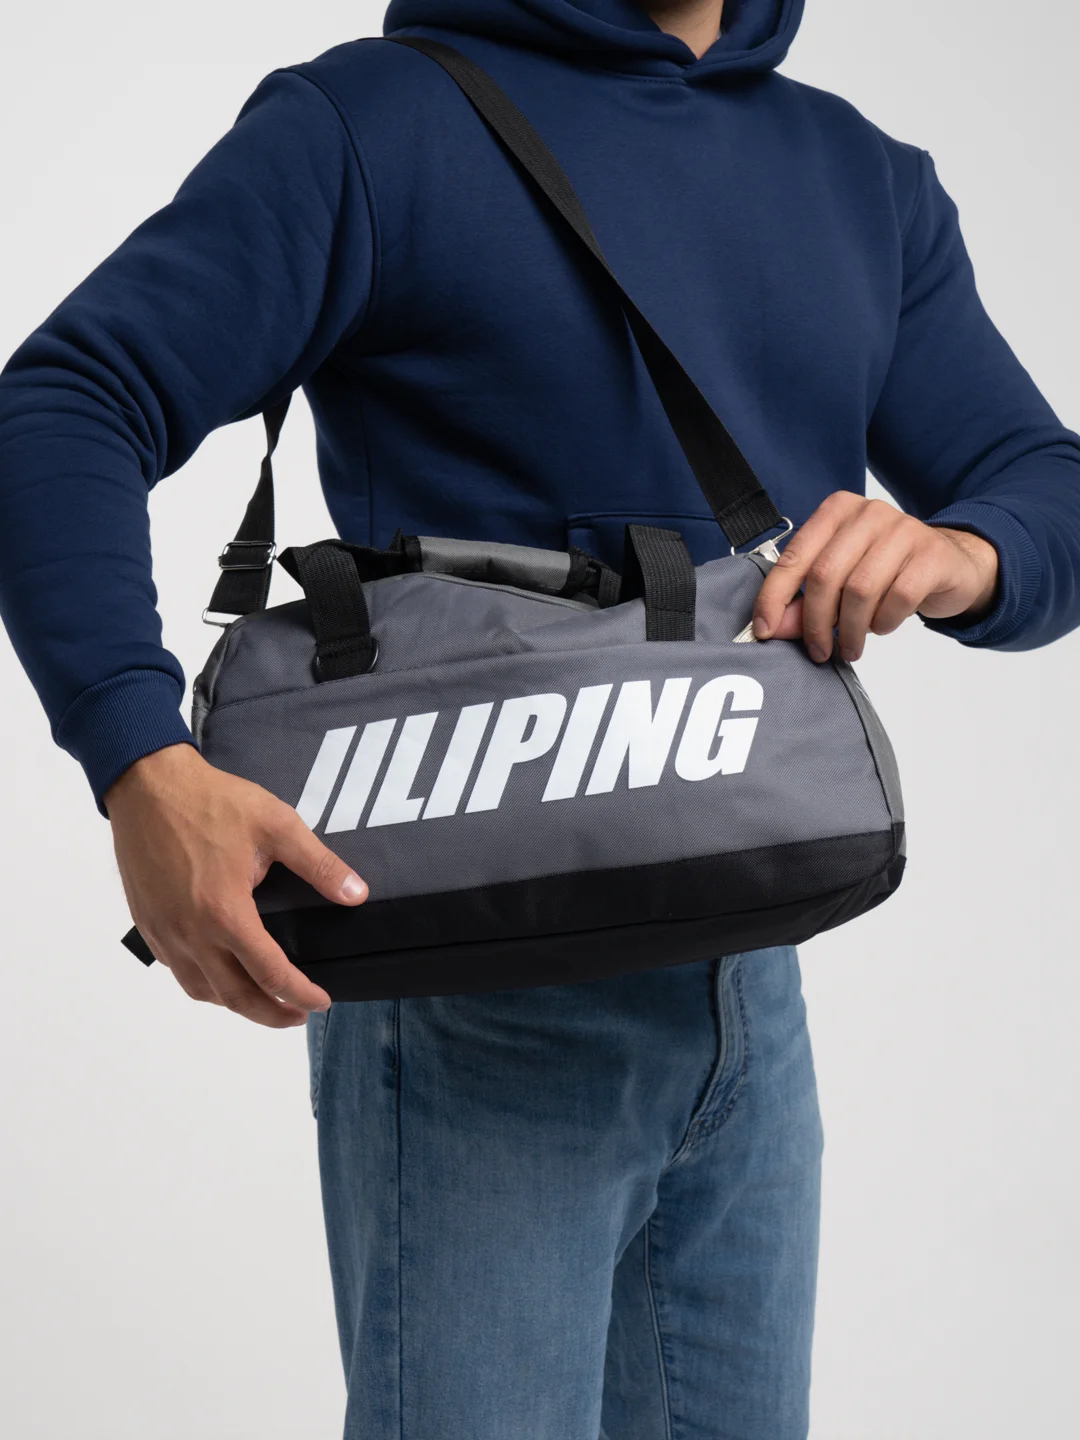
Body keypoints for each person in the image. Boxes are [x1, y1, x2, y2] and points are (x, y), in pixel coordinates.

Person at [1, 0, 1077, 1435]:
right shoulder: (373, 124)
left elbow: (1040, 475)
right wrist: (139, 758)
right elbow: (69, 399)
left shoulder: (860, 174)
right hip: (475, 983)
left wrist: (971, 548)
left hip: (753, 963)